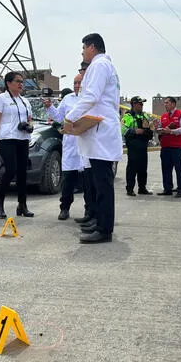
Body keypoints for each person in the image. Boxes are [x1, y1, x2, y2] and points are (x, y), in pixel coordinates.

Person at [64, 33, 122, 243]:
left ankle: (104, 229)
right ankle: (99, 222)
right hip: (100, 130)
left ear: (92, 47)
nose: (82, 52)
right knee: (99, 182)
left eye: (83, 48)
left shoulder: (99, 66)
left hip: (101, 131)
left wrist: (70, 117)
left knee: (103, 183)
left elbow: (91, 96)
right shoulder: (104, 66)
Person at [43, 68, 93, 220]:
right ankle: (64, 207)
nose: (77, 85)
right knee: (68, 180)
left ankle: (89, 211)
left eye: (80, 82)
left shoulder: (90, 98)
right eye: (75, 83)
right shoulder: (68, 99)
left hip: (86, 143)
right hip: (71, 144)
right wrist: (49, 107)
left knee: (87, 182)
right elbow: (58, 117)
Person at [0, 71, 34, 219]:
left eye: (22, 81)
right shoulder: (0, 99)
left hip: (23, 138)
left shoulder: (25, 101)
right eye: (17, 81)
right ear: (8, 83)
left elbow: (30, 118)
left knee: (22, 172)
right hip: (6, 138)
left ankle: (22, 205)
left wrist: (30, 125)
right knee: (10, 170)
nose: (21, 84)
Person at [121, 96, 153, 196]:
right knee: (132, 168)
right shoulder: (128, 116)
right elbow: (123, 130)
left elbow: (149, 130)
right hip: (133, 146)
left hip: (143, 146)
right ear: (134, 104)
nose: (142, 106)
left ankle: (142, 188)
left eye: (142, 104)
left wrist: (150, 130)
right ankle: (130, 189)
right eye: (140, 104)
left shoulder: (145, 116)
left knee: (143, 168)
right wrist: (135, 131)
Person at [156, 96, 181, 197]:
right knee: (166, 169)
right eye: (164, 103)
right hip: (165, 147)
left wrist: (171, 131)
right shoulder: (163, 116)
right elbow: (160, 128)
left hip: (176, 147)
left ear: (173, 104)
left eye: (167, 103)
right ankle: (167, 189)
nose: (165, 105)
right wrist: (158, 128)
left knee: (179, 169)